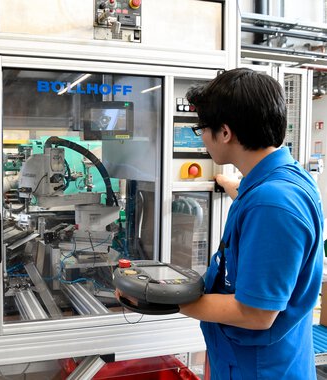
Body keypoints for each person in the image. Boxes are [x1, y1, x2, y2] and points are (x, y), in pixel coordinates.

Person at [119, 68, 324, 379]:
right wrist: (226, 182)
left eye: (202, 128)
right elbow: (250, 194)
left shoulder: (272, 204)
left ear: (225, 133)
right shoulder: (282, 178)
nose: (200, 136)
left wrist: (159, 299)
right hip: (252, 360)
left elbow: (256, 314)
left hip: (259, 370)